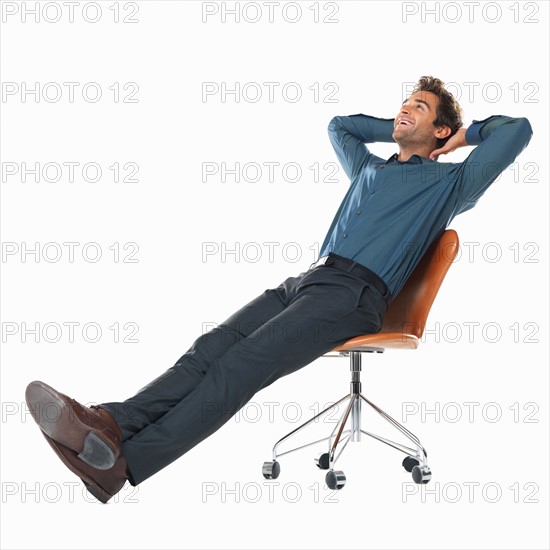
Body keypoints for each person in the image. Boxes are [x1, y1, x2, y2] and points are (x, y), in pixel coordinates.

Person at [25, 76, 533, 503]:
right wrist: (400, 126)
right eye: (402, 104)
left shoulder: (450, 186)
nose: (403, 111)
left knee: (239, 368)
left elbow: (519, 130)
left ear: (440, 129)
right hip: (308, 281)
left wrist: (461, 138)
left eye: (417, 108)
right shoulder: (370, 170)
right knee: (207, 352)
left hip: (354, 295)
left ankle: (123, 464)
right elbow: (341, 127)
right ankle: (108, 424)